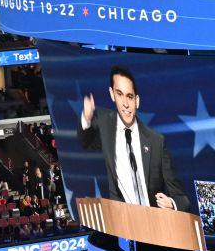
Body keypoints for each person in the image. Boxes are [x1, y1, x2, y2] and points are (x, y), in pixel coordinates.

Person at [77, 65, 191, 212]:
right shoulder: (105, 126)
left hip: (154, 224)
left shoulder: (156, 141)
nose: (125, 104)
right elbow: (85, 142)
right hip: (123, 223)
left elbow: (183, 199)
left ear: (137, 100)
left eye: (129, 96)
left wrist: (172, 203)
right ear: (112, 94)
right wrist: (86, 118)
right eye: (119, 94)